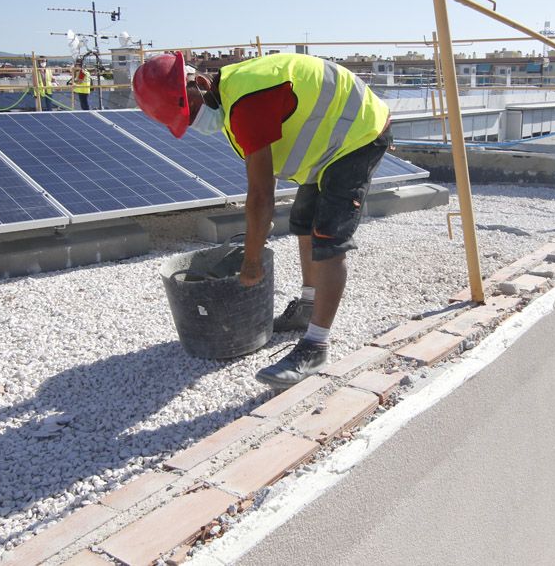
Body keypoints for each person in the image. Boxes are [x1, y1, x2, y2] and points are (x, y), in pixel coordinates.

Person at [133, 51, 391, 389]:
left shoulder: (247, 102)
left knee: (328, 239)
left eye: (191, 110)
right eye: (186, 117)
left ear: (200, 83)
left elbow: (260, 198)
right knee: (303, 221)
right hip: (329, 145)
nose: (194, 121)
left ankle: (315, 345)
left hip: (359, 134)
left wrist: (252, 262)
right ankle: (306, 306)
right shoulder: (230, 95)